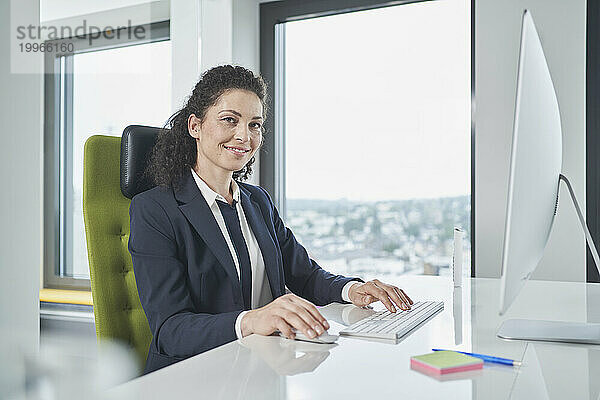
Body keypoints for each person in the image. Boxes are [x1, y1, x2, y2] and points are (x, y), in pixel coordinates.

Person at [129, 65, 413, 375]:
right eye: (229, 120)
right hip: (193, 377)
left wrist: (353, 289)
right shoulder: (155, 210)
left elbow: (305, 275)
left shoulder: (257, 202)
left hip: (260, 366)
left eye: (255, 125)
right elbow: (171, 330)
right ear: (195, 126)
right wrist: (253, 320)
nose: (244, 136)